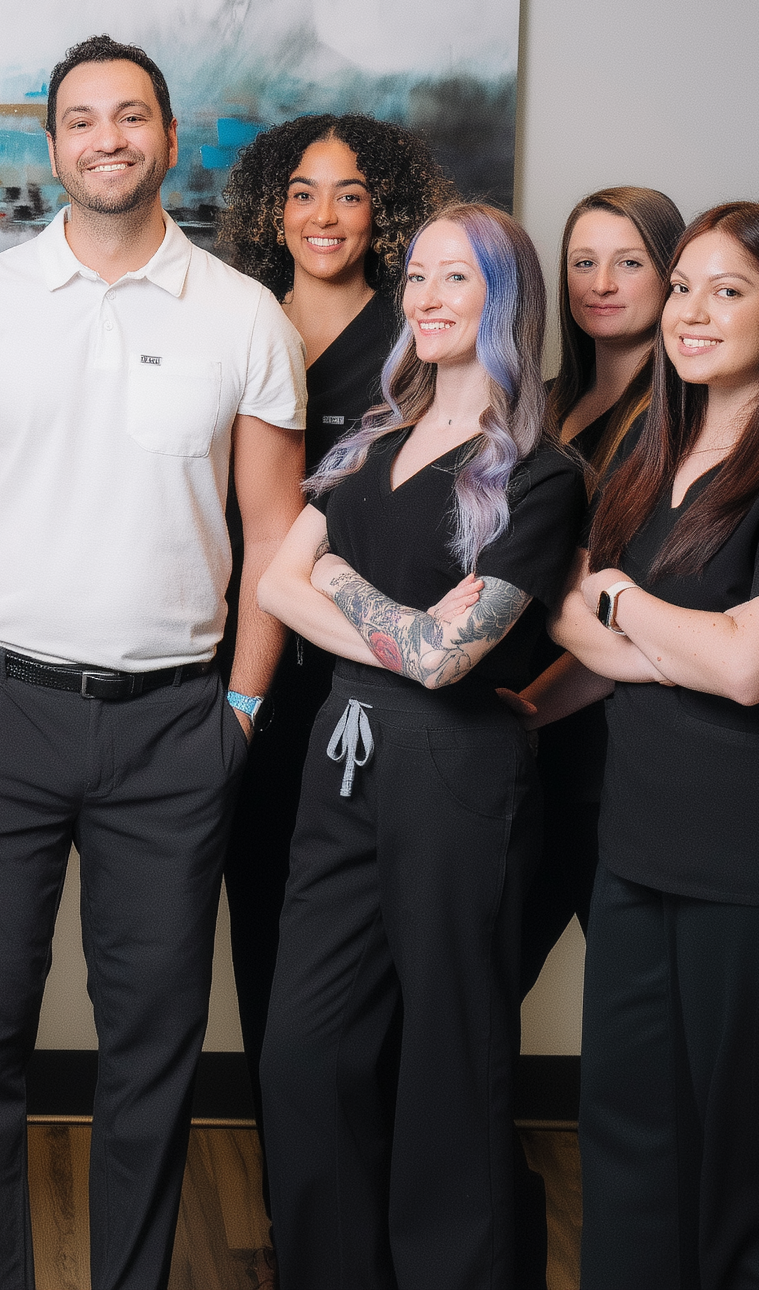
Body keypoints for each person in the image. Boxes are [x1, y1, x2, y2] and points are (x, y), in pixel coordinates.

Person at [0, 33, 309, 1290]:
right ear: (55, 145)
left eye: (131, 116)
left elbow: (275, 529)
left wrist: (237, 710)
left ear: (169, 141)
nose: (107, 138)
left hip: (173, 728)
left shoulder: (244, 315)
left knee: (152, 1049)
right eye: (82, 119)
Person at [515, 201, 759, 1290]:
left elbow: (750, 665)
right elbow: (571, 619)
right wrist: (624, 649)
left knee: (748, 1157)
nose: (690, 310)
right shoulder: (651, 448)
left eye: (728, 291)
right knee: (629, 1138)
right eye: (682, 286)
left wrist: (629, 607)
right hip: (640, 848)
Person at [256, 201, 586, 1290]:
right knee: (305, 1052)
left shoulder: (537, 474)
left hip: (454, 771)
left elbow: (450, 659)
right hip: (339, 751)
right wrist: (384, 613)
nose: (426, 298)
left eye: (457, 279)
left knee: (449, 1059)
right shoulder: (371, 435)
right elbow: (271, 584)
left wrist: (338, 582)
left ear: (505, 303)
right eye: (417, 278)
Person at [215, 113, 454, 1209]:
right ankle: (293, 1209)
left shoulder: (417, 343)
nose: (321, 216)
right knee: (268, 940)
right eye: (301, 193)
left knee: (388, 958)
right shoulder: (228, 324)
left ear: (381, 211)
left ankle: (386, 1206)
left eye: (348, 194)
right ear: (271, 208)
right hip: (243, 670)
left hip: (377, 677)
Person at [508, 185, 685, 1288]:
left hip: (616, 750)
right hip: (525, 749)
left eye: (626, 261)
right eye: (581, 261)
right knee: (470, 1000)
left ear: (669, 274)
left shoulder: (689, 415)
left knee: (640, 1050)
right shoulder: (542, 402)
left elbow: (634, 602)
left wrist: (534, 702)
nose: (600, 283)